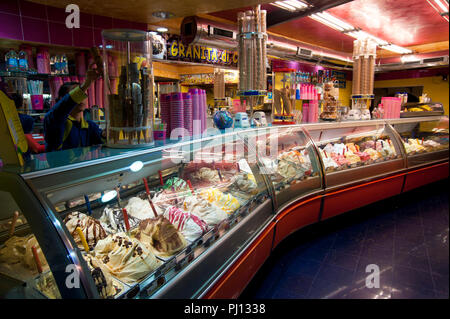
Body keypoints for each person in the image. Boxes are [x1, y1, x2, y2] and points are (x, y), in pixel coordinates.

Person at [44, 64, 104, 152]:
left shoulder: (90, 126)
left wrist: (105, 135)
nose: (82, 97)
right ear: (62, 99)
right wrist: (86, 84)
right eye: (77, 93)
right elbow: (60, 110)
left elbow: (102, 141)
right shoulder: (55, 121)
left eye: (83, 93)